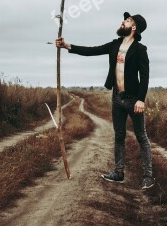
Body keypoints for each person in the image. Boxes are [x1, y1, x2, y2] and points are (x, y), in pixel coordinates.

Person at [55, 11, 155, 190]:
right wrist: (67, 45)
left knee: (141, 136)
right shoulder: (114, 45)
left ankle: (148, 176)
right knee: (119, 136)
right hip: (117, 97)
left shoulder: (140, 50)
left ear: (133, 27)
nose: (122, 22)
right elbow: (91, 51)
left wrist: (141, 99)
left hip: (133, 100)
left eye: (127, 20)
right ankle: (118, 172)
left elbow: (145, 75)